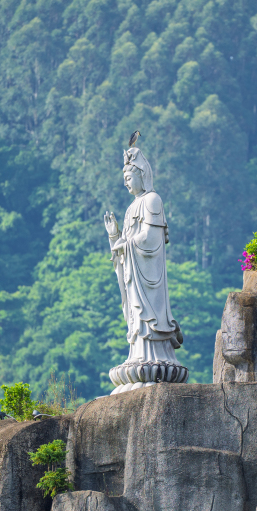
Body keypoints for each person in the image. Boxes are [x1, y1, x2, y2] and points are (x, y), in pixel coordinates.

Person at [102, 140, 185, 393]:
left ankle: (157, 355)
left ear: (141, 174)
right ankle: (138, 354)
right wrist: (115, 237)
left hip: (148, 275)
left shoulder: (152, 200)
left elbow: (150, 239)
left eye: (129, 176)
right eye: (124, 178)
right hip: (133, 275)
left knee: (148, 316)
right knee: (135, 319)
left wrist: (126, 245)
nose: (126, 182)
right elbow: (125, 248)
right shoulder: (130, 209)